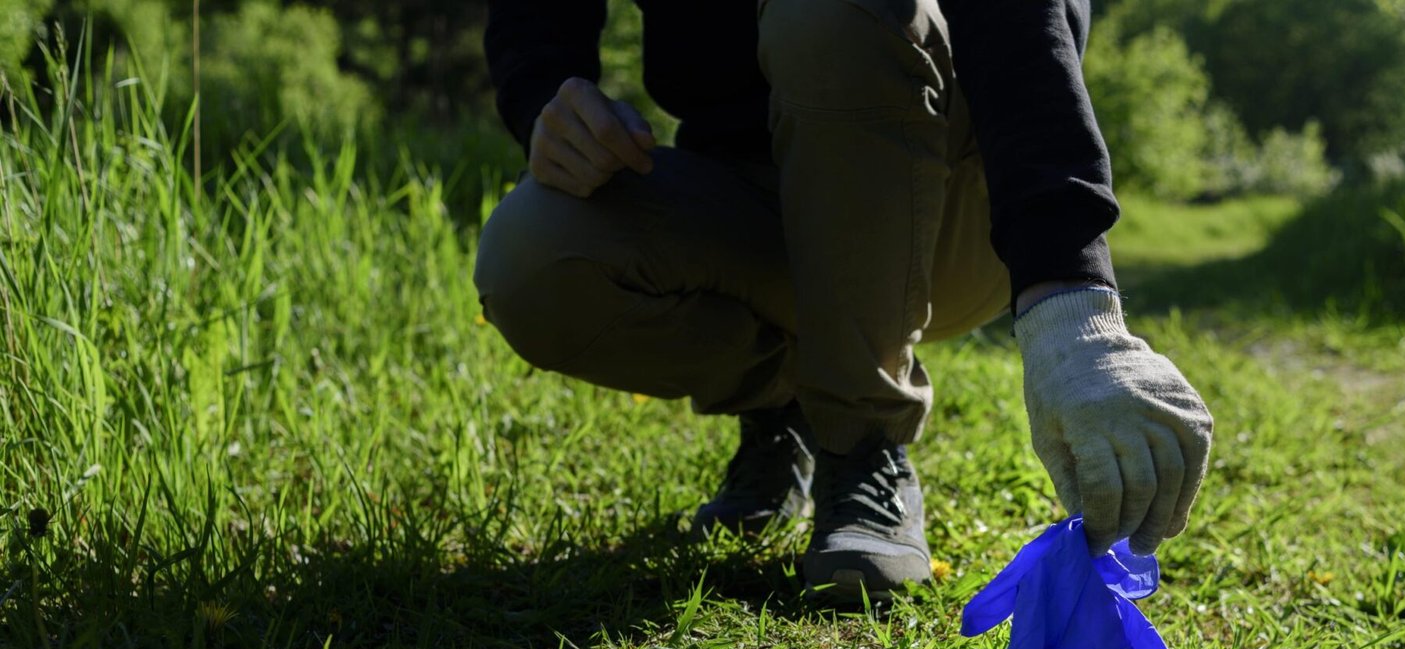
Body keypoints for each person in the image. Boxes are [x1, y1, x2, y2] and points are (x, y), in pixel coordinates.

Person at [474, 0, 1213, 605]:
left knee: (829, 9)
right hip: (749, 193)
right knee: (532, 257)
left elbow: (1020, 22)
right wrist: (545, 92)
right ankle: (785, 409)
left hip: (945, 207)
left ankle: (862, 445)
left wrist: (1072, 307)